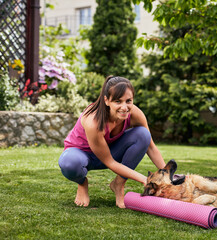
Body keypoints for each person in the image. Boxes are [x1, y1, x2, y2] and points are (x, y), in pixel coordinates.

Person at [58, 76, 166, 208]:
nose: (124, 107)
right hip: (81, 155)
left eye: (128, 101)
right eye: (117, 101)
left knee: (144, 135)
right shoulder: (93, 121)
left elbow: (151, 148)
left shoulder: (135, 113)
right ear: (106, 100)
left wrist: (167, 175)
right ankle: (82, 183)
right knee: (69, 163)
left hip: (109, 151)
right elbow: (109, 162)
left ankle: (118, 184)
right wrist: (145, 179)